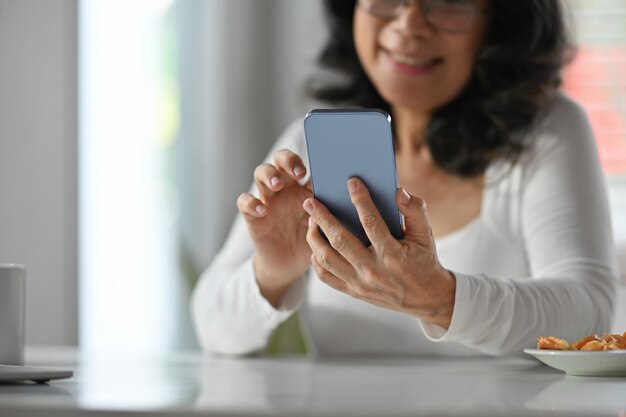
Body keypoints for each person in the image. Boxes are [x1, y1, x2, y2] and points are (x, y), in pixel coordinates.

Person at [191, 0, 618, 357]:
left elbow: (588, 313)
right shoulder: (310, 146)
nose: (410, 23)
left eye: (447, 1)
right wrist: (270, 271)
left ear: (499, 21)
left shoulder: (549, 132)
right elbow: (212, 325)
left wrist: (440, 298)